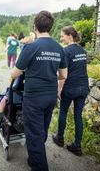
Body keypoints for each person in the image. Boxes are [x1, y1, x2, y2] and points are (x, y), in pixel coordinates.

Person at [11, 11, 67, 171]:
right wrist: (48, 73)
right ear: (51, 27)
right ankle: (33, 158)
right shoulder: (59, 48)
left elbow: (14, 73)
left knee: (34, 135)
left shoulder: (30, 47)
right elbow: (63, 75)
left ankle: (38, 164)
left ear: (35, 27)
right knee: (41, 130)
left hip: (34, 97)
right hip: (51, 96)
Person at [52, 26, 89, 157]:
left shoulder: (65, 50)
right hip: (84, 87)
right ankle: (77, 146)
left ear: (70, 36)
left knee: (63, 112)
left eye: (62, 36)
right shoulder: (82, 50)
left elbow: (63, 74)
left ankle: (60, 138)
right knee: (78, 116)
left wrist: (58, 89)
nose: (61, 38)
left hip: (70, 87)